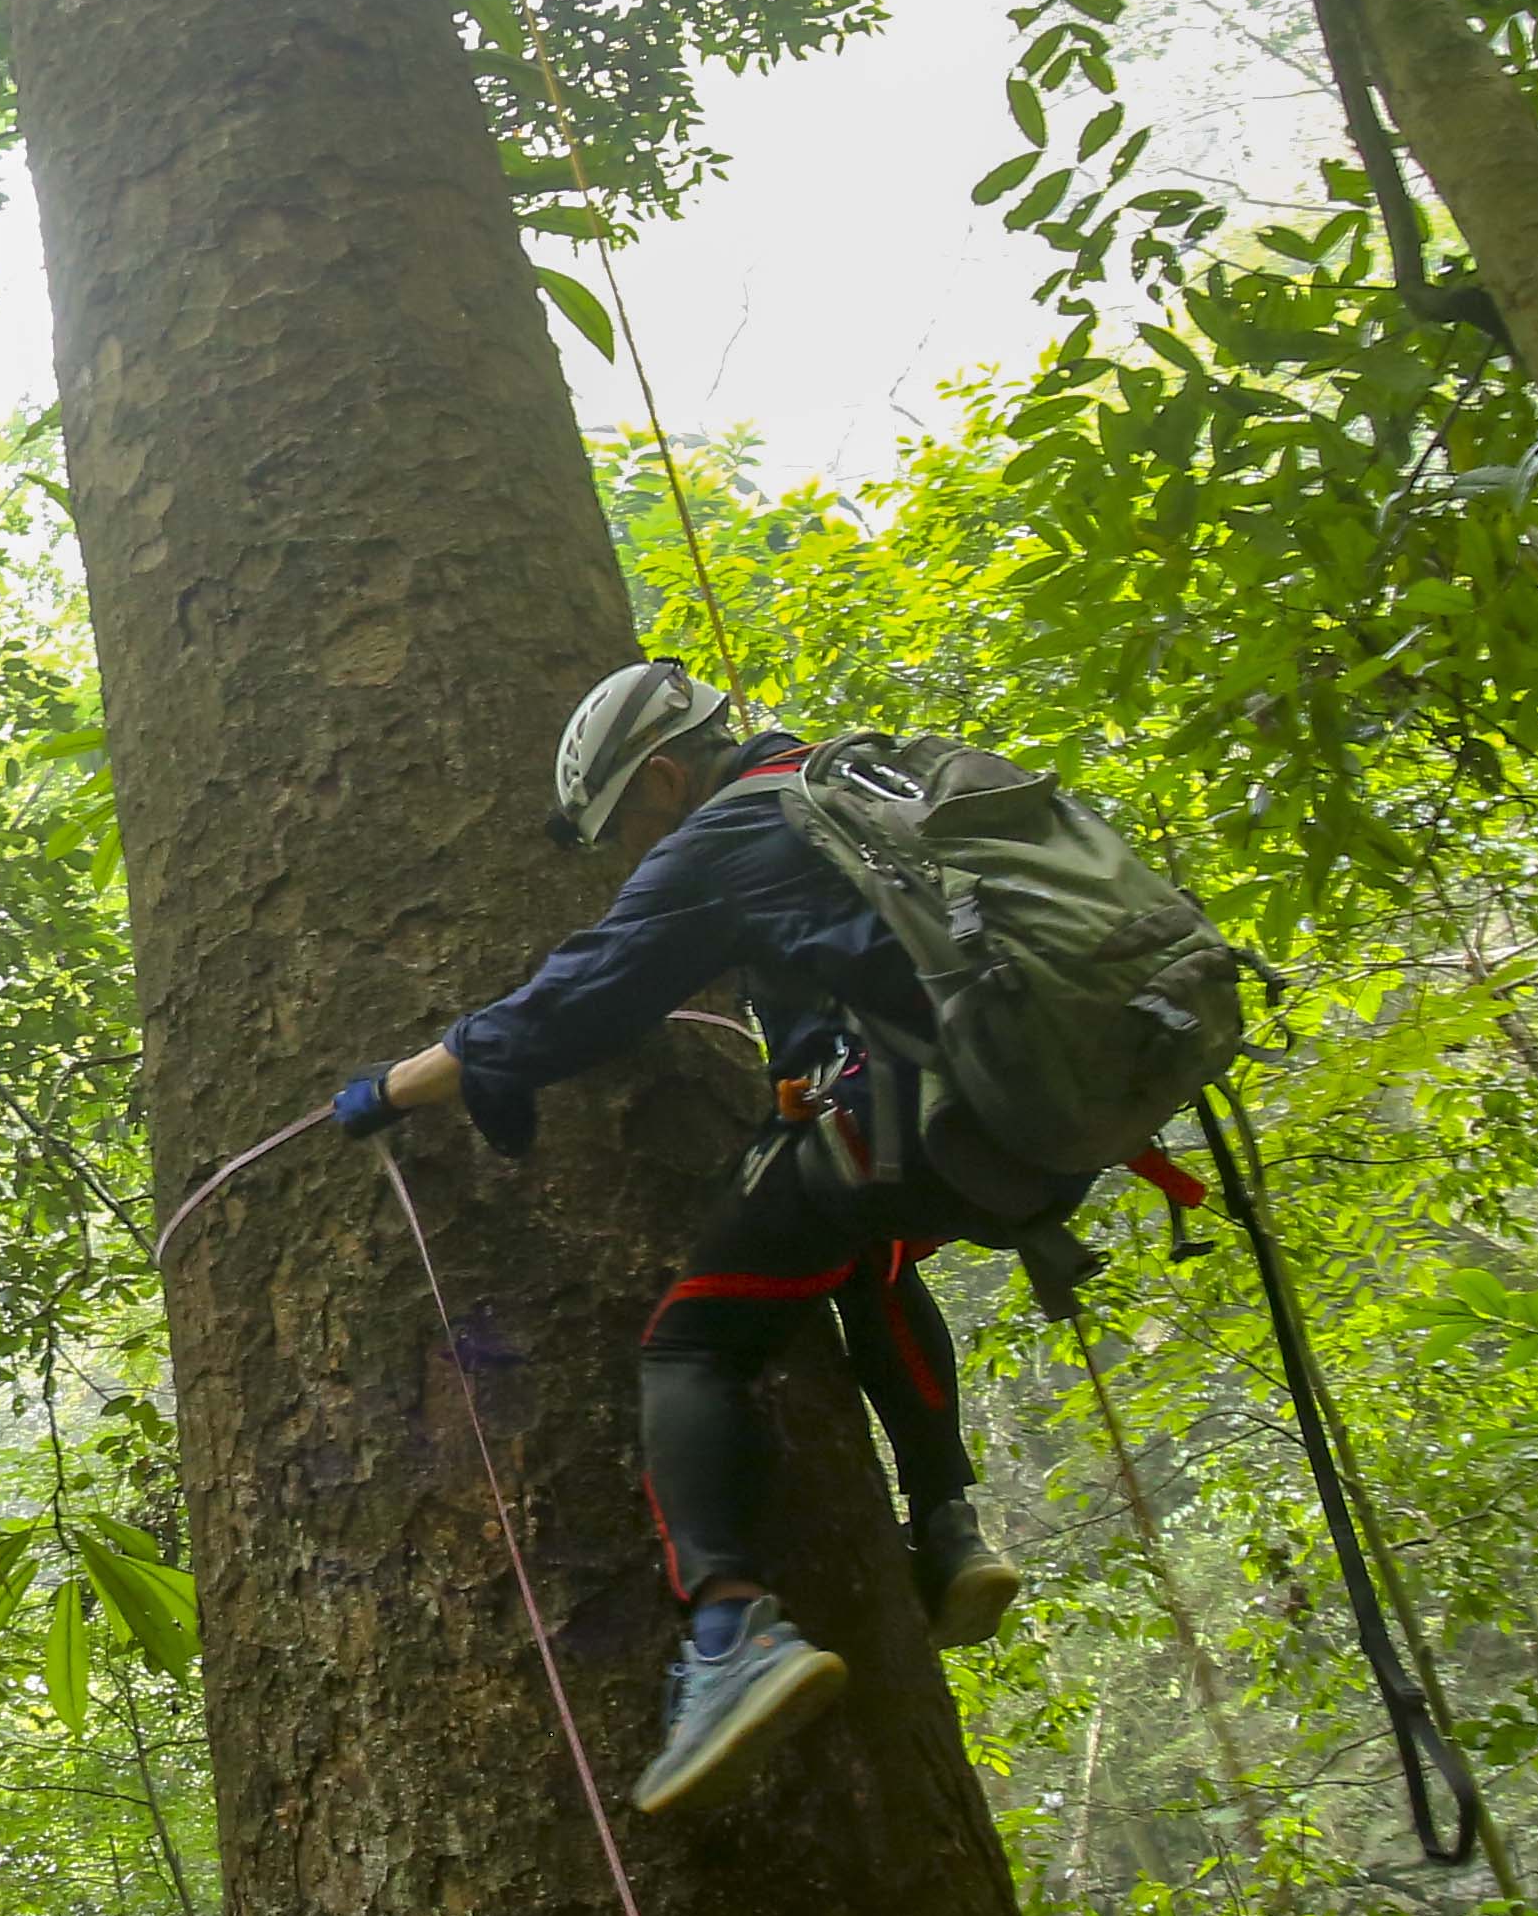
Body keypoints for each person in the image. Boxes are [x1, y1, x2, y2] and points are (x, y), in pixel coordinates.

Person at [328, 658, 1044, 1819]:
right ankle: (950, 1528)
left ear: (665, 773)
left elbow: (577, 994)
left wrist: (400, 1087)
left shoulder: (722, 834)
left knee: (696, 1341)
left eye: (630, 822)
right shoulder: (844, 784)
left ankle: (729, 1633)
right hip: (1011, 1095)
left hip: (898, 1104)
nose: (629, 853)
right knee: (866, 1257)